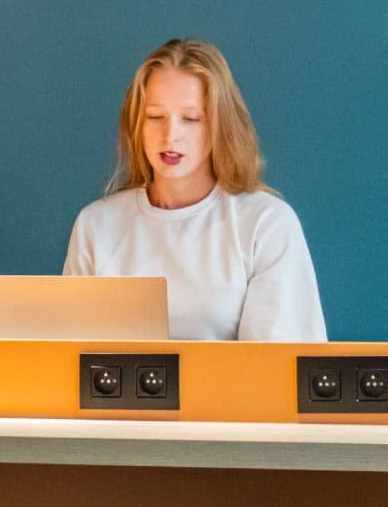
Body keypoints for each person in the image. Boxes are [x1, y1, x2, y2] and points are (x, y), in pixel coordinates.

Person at [62, 38, 327, 341]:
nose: (170, 135)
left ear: (219, 125)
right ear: (136, 124)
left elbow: (281, 359)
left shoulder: (265, 223)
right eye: (155, 117)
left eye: (190, 119)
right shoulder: (96, 225)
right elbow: (67, 354)